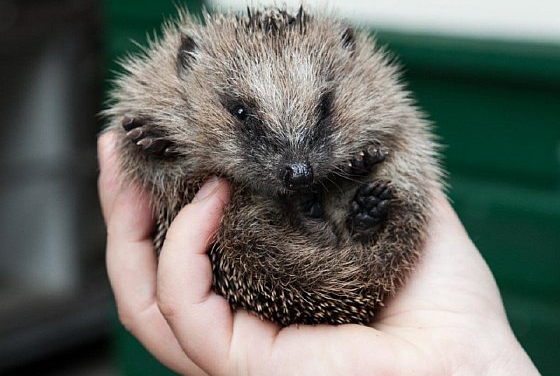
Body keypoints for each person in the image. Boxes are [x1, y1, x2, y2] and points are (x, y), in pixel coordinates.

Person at [98, 132, 539, 376]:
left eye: (322, 112)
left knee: (381, 189)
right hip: (256, 239)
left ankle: (333, 226)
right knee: (189, 184)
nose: (297, 166)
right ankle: (331, 227)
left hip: (320, 244)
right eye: (244, 116)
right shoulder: (171, 109)